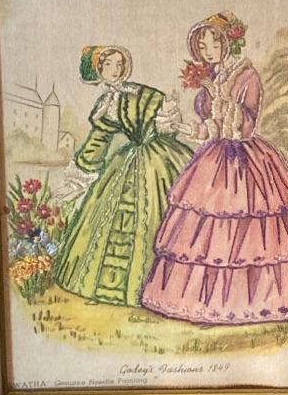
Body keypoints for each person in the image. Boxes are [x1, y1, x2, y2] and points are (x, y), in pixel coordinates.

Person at [141, 11, 288, 325]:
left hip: (247, 164)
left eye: (214, 43)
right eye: (203, 46)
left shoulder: (247, 76)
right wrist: (178, 127)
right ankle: (206, 303)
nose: (208, 51)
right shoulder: (211, 80)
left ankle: (253, 302)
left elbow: (244, 128)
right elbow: (210, 130)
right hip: (213, 160)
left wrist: (221, 100)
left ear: (229, 43)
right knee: (205, 232)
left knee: (248, 232)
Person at [54, 45, 192, 307]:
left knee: (161, 217)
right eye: (108, 65)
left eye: (119, 64)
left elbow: (166, 122)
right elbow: (98, 141)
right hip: (128, 161)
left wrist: (164, 121)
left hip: (160, 158)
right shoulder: (105, 104)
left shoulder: (142, 93)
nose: (115, 70)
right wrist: (79, 177)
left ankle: (163, 290)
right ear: (98, 71)